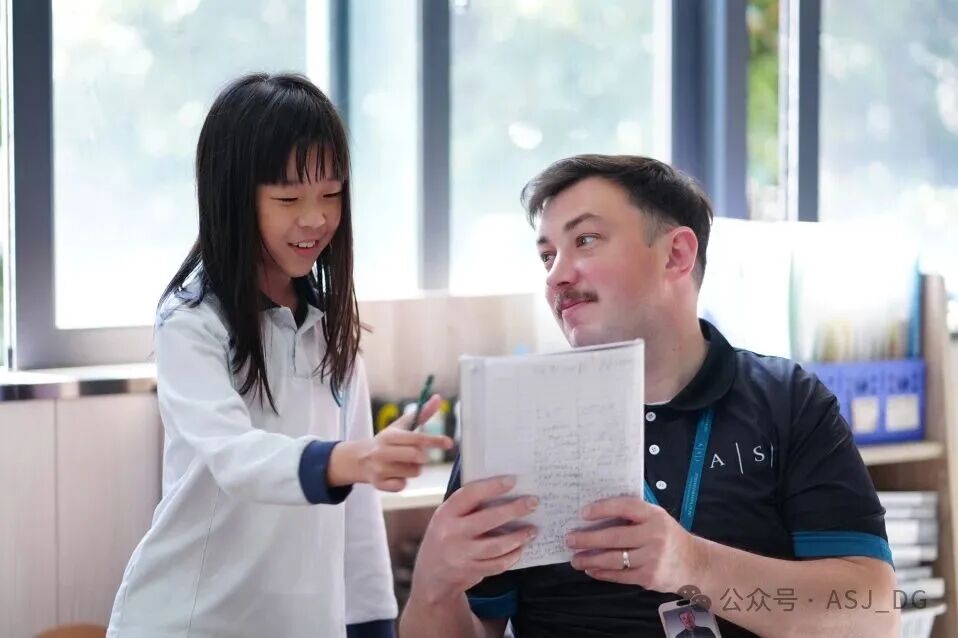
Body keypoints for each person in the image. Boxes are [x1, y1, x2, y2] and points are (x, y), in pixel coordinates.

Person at [400, 155, 899, 637]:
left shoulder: (789, 401)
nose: (556, 276)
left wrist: (692, 564)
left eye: (586, 240)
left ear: (676, 254)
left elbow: (874, 617)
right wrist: (433, 589)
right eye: (548, 255)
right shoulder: (514, 416)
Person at [107, 73, 451, 638]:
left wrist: (373, 623)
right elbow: (234, 456)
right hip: (191, 622)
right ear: (234, 199)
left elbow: (357, 517)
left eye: (331, 194)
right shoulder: (191, 322)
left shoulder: (332, 328)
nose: (315, 218)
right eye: (289, 198)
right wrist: (350, 460)